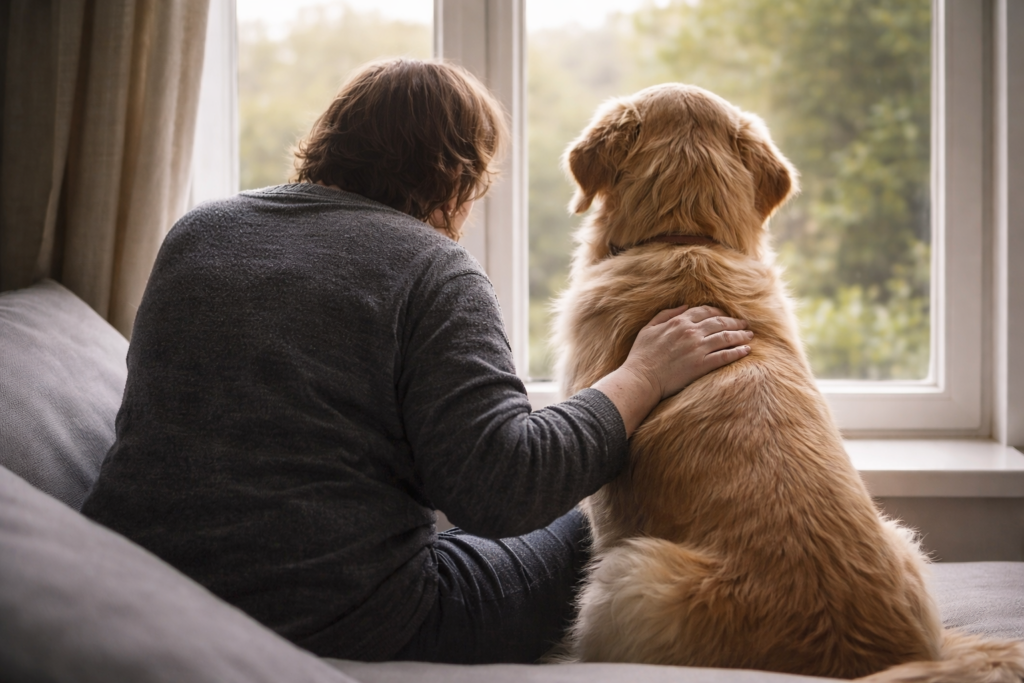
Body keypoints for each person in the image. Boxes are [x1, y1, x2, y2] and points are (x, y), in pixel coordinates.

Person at [81, 58, 753, 664]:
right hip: (338, 617)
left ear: (329, 138)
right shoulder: (431, 266)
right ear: (456, 177)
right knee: (583, 531)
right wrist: (641, 376)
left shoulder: (200, 230)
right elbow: (504, 488)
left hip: (147, 584)